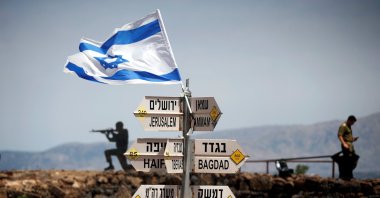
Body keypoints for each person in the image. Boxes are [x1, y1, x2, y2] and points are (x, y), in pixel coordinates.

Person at [334, 115, 359, 180]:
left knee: (352, 160)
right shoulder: (343, 126)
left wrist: (353, 139)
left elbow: (347, 137)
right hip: (346, 146)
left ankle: (349, 175)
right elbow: (340, 135)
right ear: (349, 120)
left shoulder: (349, 126)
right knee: (348, 160)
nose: (353, 124)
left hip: (350, 145)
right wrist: (344, 143)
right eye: (352, 122)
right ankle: (347, 176)